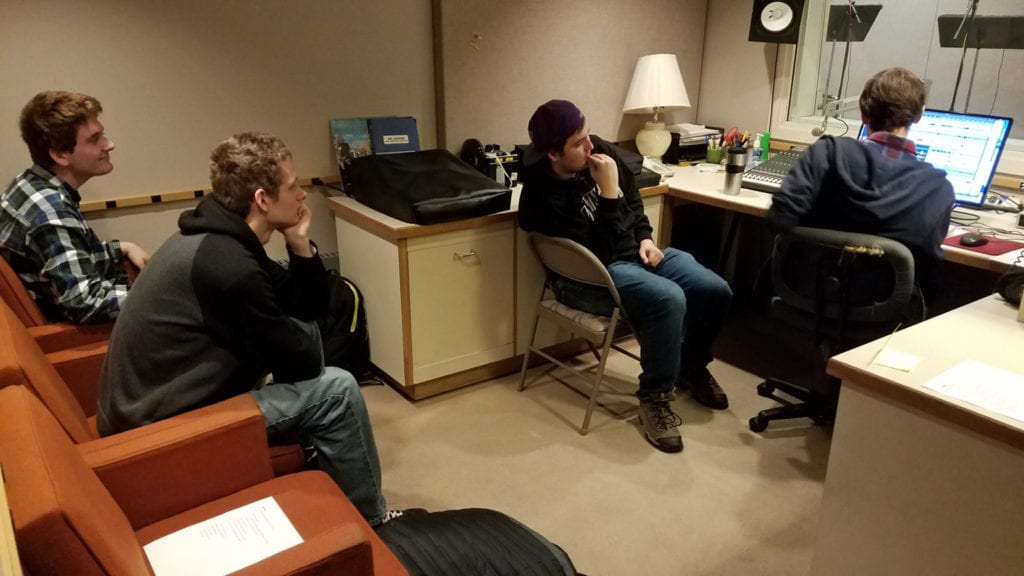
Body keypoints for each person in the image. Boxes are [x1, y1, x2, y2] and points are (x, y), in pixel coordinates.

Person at [96, 132, 396, 526]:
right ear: (262, 199)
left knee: (303, 343)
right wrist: (297, 336)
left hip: (153, 406)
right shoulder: (227, 266)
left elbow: (309, 305)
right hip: (154, 428)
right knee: (336, 390)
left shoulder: (222, 239)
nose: (303, 194)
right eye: (292, 187)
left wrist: (299, 244)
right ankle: (375, 523)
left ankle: (319, 466)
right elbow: (304, 360)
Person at [518, 100, 733, 454]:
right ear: (554, 154)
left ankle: (691, 367)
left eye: (588, 136)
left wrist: (646, 237)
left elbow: (631, 197)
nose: (590, 147)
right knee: (668, 298)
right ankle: (654, 399)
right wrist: (606, 191)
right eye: (578, 144)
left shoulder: (598, 149)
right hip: (591, 278)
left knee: (713, 289)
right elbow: (600, 253)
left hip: (635, 255)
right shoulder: (543, 199)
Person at [766, 67, 955, 304]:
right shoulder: (938, 188)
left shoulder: (827, 153)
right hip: (883, 305)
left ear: (864, 116)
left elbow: (779, 217)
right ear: (919, 116)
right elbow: (929, 264)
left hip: (805, 288)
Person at [0, 91, 150, 323]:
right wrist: (161, 295)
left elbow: (67, 258)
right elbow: (85, 301)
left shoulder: (28, 184)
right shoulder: (51, 211)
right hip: (71, 339)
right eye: (94, 139)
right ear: (60, 155)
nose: (109, 144)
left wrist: (121, 248)